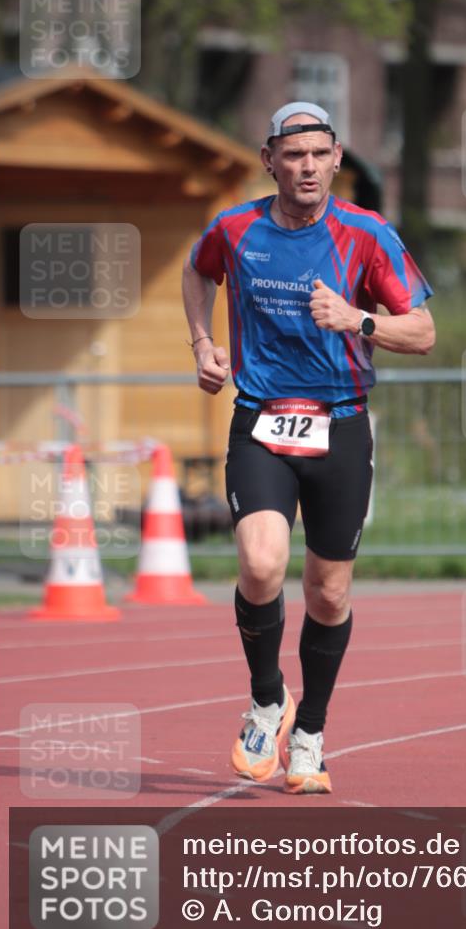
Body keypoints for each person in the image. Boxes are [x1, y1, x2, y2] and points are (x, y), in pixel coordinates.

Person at [183, 101, 435, 794]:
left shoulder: (366, 233)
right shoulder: (235, 228)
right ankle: (268, 698)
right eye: (292, 155)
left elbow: (422, 330)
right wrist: (203, 344)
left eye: (319, 154)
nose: (306, 167)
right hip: (261, 420)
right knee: (260, 564)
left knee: (327, 591)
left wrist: (357, 319)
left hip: (341, 426)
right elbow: (197, 271)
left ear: (335, 160)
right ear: (269, 160)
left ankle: (310, 733)